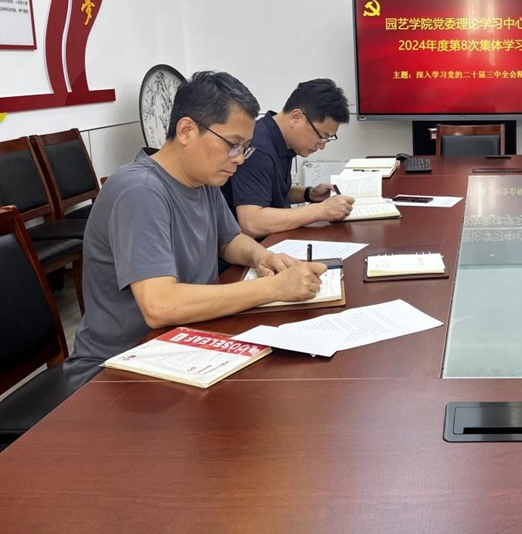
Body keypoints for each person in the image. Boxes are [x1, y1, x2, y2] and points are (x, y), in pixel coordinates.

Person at [63, 71, 328, 392]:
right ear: (187, 130)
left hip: (183, 344)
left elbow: (230, 240)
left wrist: (262, 256)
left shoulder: (203, 179)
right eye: (233, 145)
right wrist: (274, 289)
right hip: (120, 368)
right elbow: (160, 305)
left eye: (245, 148)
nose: (240, 159)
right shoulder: (140, 190)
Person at [221, 79, 355, 239]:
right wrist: (321, 210)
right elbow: (251, 223)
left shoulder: (281, 140)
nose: (321, 146)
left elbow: (266, 191)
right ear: (296, 117)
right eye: (322, 137)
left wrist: (309, 194)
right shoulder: (258, 149)